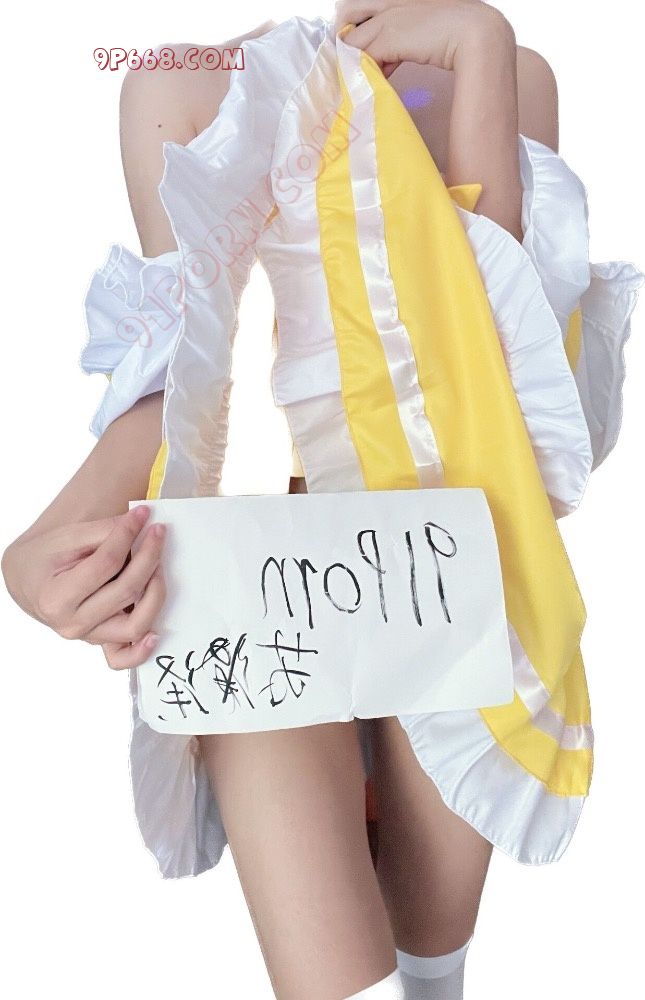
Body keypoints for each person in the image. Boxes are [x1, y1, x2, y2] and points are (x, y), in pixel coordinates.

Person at [2, 4, 641, 999]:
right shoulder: (183, 81)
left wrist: (479, 49)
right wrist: (39, 550)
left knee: (432, 974)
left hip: (447, 563)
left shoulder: (512, 70)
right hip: (258, 582)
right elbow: (182, 379)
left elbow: (507, 394)